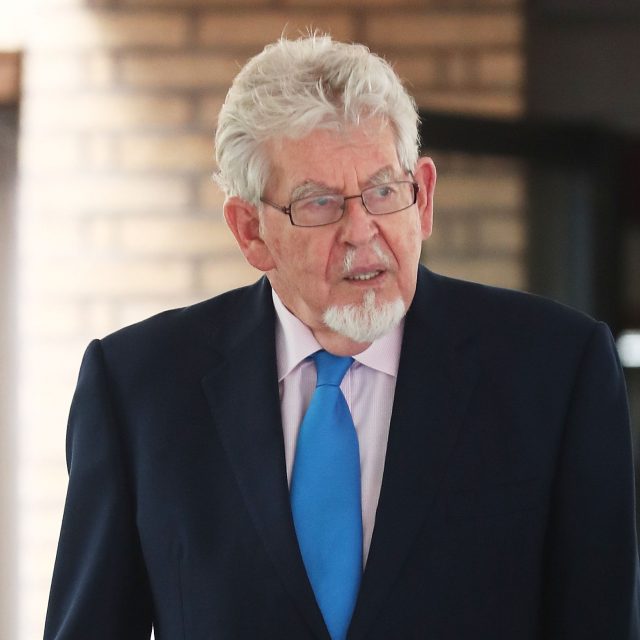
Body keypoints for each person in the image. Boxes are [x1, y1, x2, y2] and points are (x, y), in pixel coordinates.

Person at [44, 35, 639, 640]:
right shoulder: (137, 389)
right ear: (250, 230)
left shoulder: (557, 371)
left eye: (383, 191)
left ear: (424, 197)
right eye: (320, 203)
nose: (362, 232)